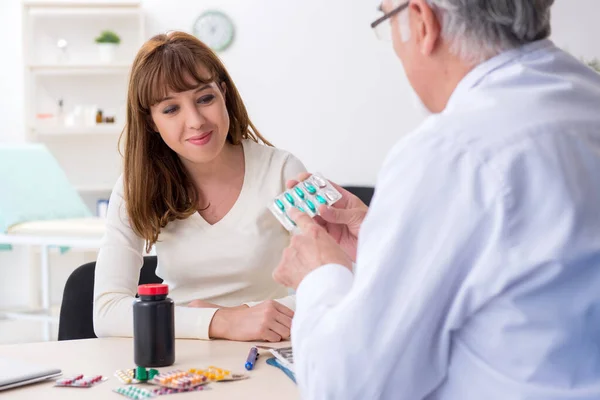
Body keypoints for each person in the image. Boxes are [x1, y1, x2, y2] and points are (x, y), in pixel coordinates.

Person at [273, 0, 600, 398]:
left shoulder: (453, 150)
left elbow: (349, 388)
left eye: (387, 21)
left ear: (423, 21)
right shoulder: (585, 97)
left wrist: (318, 276)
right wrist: (380, 238)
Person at [93, 31, 305, 342]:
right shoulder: (135, 187)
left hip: (266, 351)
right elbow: (107, 313)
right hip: (180, 358)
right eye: (170, 109)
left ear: (223, 94)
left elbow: (330, 289)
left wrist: (248, 315)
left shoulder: (282, 172)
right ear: (151, 121)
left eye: (205, 99)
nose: (195, 121)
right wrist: (220, 322)